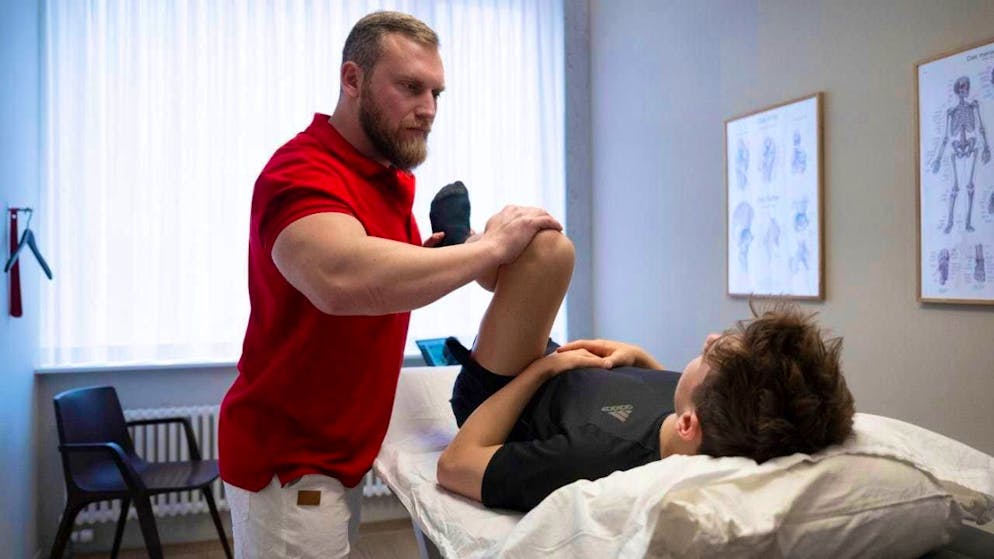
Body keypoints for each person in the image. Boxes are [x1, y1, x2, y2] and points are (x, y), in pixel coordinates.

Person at [218, 11, 560, 558]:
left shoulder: (383, 176)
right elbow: (342, 278)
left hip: (339, 451)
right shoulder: (301, 173)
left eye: (436, 93)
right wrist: (489, 250)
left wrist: (452, 253)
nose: (427, 109)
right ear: (351, 80)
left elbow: (382, 269)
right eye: (409, 87)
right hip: (291, 460)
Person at [435, 230, 856, 512]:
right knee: (533, 252)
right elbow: (672, 399)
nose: (709, 339)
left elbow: (456, 464)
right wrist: (640, 359)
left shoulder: (595, 458)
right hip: (558, 364)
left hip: (502, 388)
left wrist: (542, 371)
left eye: (714, 356)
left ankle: (464, 243)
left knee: (549, 249)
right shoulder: (711, 417)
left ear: (690, 424)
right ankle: (479, 254)